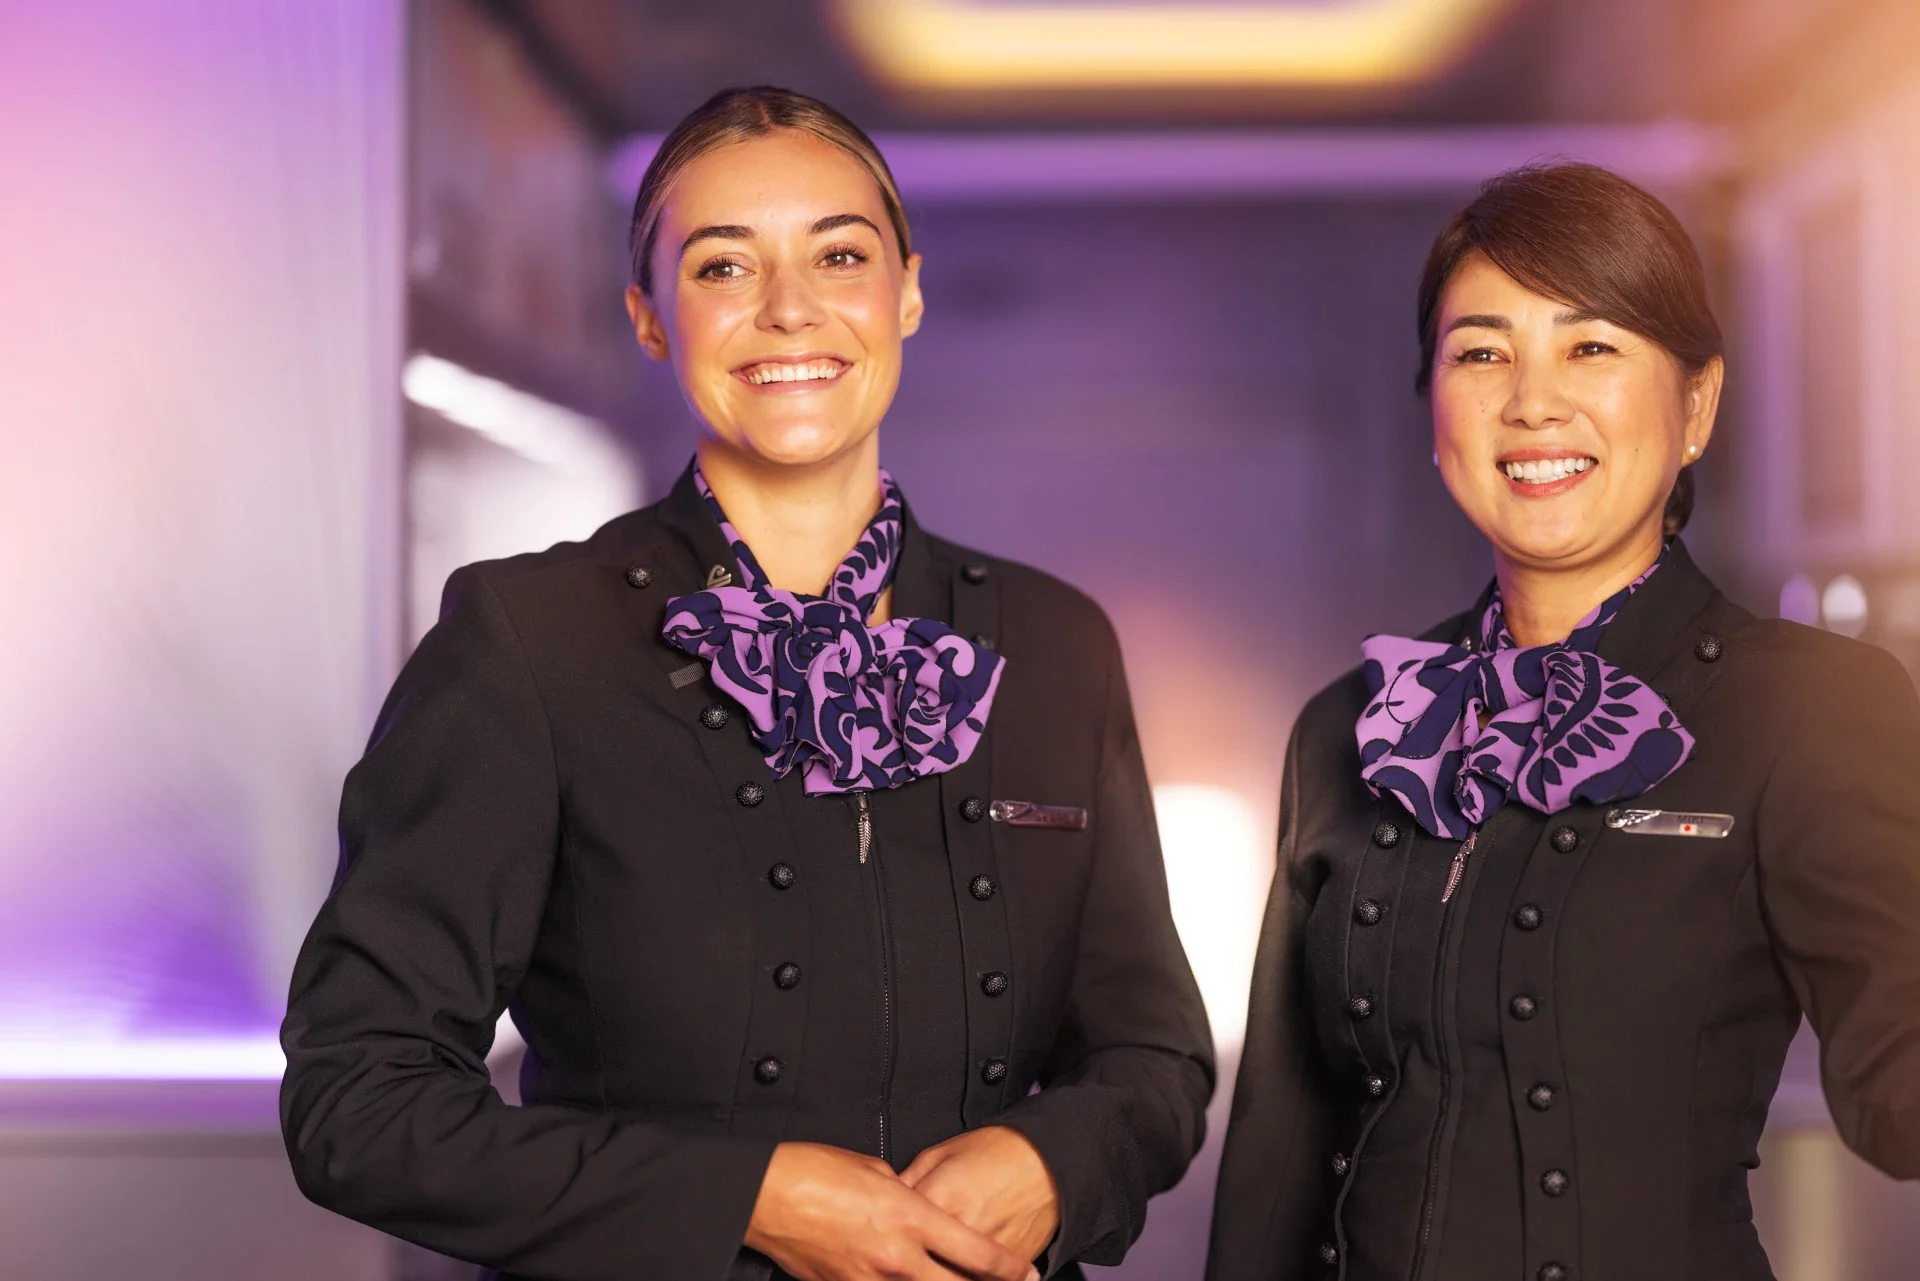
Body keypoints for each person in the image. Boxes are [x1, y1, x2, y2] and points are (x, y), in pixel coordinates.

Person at [280, 87, 1212, 1281]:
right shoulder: (530, 639)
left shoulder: (1055, 642)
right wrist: (752, 1200)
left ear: (907, 292)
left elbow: (1154, 1056)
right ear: (649, 317)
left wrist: (1051, 1162)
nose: (789, 308)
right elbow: (357, 1101)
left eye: (840, 255)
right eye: (723, 266)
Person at [1208, 163, 1920, 1281]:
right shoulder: (1354, 722)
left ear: (1696, 406)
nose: (1533, 402)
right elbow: (1275, 1166)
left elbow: (1900, 1082)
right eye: (1482, 354)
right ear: (1433, 407)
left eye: (1590, 346)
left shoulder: (1809, 704)